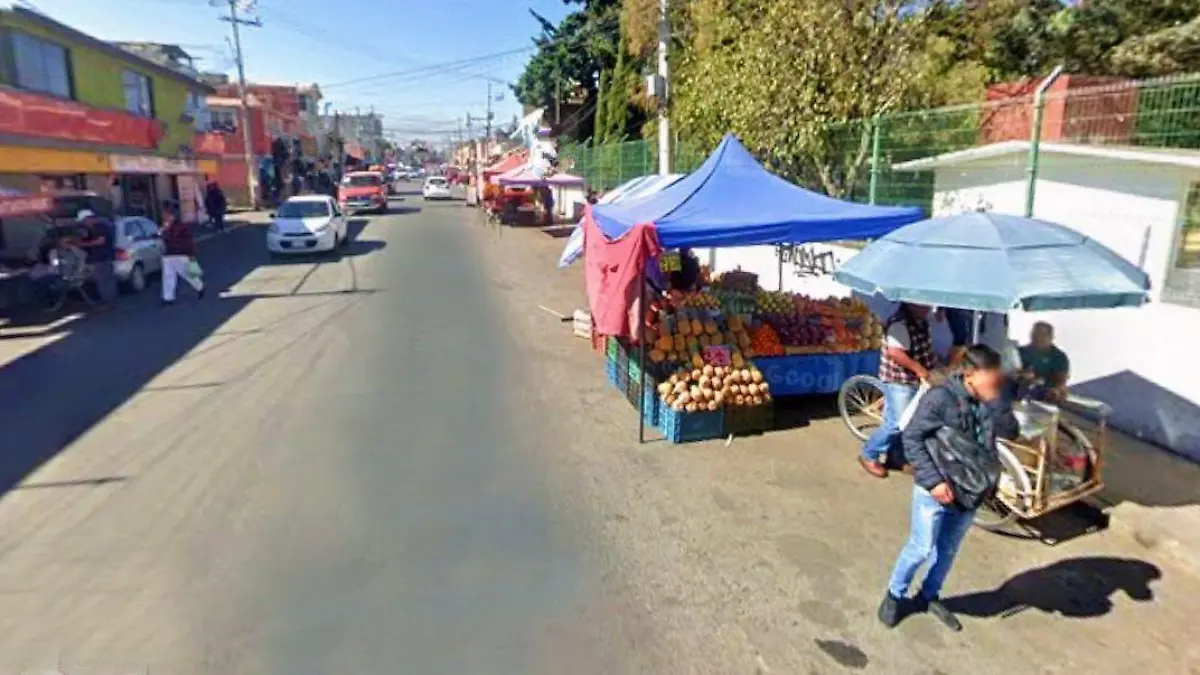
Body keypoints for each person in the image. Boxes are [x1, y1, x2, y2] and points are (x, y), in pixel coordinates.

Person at [878, 344, 1017, 632]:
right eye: (990, 375)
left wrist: (997, 403)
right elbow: (912, 439)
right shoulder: (940, 398)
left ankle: (929, 595)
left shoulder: (990, 401)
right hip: (935, 490)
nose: (995, 381)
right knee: (920, 547)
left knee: (948, 549)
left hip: (971, 491)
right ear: (969, 374)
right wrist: (933, 482)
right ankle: (894, 594)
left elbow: (1011, 431)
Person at [859, 302, 938, 478]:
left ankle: (896, 458)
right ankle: (869, 454)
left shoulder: (920, 321)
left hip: (913, 381)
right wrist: (920, 369)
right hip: (899, 381)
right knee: (896, 423)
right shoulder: (899, 325)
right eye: (923, 305)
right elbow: (896, 353)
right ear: (911, 304)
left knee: (906, 422)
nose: (927, 308)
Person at [159, 203, 204, 304]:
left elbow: (188, 241)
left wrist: (191, 253)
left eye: (166, 214)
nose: (164, 216)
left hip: (180, 253)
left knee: (187, 274)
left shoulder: (181, 227)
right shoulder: (165, 226)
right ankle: (168, 298)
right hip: (168, 254)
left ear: (173, 215)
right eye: (164, 215)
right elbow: (161, 237)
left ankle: (200, 286)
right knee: (168, 276)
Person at [76, 209, 118, 311]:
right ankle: (106, 301)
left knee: (105, 281)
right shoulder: (92, 229)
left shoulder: (101, 227)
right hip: (98, 258)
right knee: (101, 280)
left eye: (84, 221)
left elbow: (100, 241)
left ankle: (109, 302)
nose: (84, 223)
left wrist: (82, 244)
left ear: (88, 218)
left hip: (103, 258)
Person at [1019, 321, 1070, 402]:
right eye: (1034, 334)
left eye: (1042, 334)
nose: (1037, 337)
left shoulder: (1059, 356)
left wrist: (1055, 391)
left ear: (1051, 337)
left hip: (1047, 397)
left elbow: (1061, 381)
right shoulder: (1019, 352)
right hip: (1019, 394)